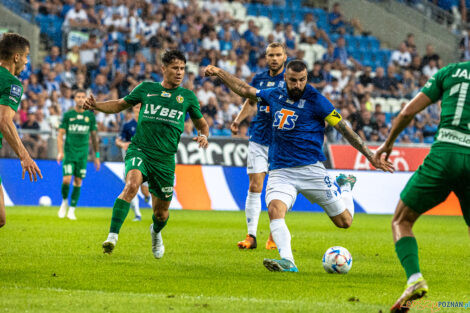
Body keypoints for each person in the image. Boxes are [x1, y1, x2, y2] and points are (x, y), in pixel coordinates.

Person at [205, 60, 393, 272]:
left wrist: (370, 154)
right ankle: (288, 261)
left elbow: (343, 128)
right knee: (275, 209)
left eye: (302, 80)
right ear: (285, 78)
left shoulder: (317, 100)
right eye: (293, 80)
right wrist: (220, 72)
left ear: (306, 79)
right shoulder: (274, 93)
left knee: (344, 222)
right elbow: (245, 90)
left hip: (311, 169)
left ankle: (346, 186)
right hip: (281, 170)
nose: (297, 84)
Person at [83, 50, 209, 258]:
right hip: (140, 150)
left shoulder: (187, 97)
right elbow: (120, 104)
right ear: (163, 69)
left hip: (165, 160)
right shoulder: (146, 89)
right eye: (175, 68)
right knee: (131, 185)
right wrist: (96, 105)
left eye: (182, 69)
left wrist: (203, 136)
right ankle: (112, 236)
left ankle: (156, 232)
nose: (179, 73)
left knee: (160, 213)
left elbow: (202, 124)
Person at [374, 62, 470, 312]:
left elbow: (407, 112)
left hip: (444, 152)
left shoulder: (449, 72)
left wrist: (389, 143)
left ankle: (414, 279)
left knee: (401, 220)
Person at [231, 42, 287, 251]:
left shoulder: (291, 80)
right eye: (271, 55)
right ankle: (251, 236)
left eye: (278, 55)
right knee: (255, 186)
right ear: (266, 57)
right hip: (258, 138)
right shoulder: (260, 79)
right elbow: (250, 102)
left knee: (278, 191)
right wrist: (238, 119)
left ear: (285, 56)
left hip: (282, 141)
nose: (274, 58)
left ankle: (273, 236)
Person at [0, 33, 42, 228]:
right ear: (16, 57)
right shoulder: (12, 83)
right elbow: (4, 120)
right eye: (26, 55)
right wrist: (24, 155)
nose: (27, 61)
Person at [57, 89, 101, 220]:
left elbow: (94, 137)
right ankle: (64, 201)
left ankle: (72, 210)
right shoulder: (68, 115)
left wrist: (97, 156)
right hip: (69, 153)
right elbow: (60, 135)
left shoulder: (90, 116)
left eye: (83, 97)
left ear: (86, 99)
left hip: (83, 155)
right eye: (78, 97)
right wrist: (60, 152)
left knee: (78, 180)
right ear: (74, 99)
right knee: (66, 179)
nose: (81, 99)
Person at [115, 104, 152, 221]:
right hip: (131, 161)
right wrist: (123, 144)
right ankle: (137, 214)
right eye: (137, 107)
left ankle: (147, 196)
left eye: (141, 107)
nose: (139, 110)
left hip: (145, 161)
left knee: (144, 190)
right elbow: (118, 140)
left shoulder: (149, 124)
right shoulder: (127, 125)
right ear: (133, 110)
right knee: (130, 186)